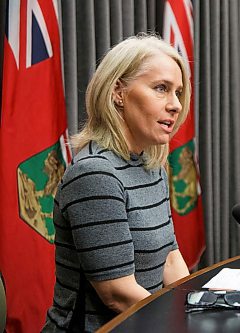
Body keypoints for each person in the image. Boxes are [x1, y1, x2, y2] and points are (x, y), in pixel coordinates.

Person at [42, 34, 191, 332]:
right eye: (161, 89)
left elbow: (170, 259)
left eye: (178, 92)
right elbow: (118, 295)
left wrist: (197, 309)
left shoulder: (152, 165)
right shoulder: (95, 174)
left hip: (147, 322)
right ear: (118, 93)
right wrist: (183, 325)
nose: (175, 104)